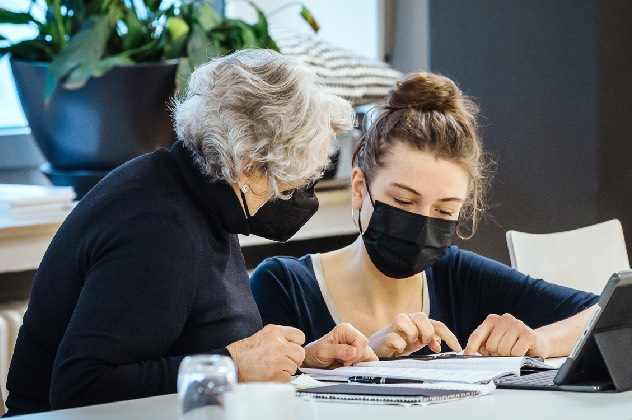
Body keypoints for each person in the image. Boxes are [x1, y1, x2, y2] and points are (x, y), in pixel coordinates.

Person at [4, 49, 376, 416]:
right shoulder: (161, 228)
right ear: (247, 166)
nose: (297, 197)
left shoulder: (195, 188)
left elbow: (190, 344)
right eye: (291, 184)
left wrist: (300, 361)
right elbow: (80, 387)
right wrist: (234, 366)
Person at [250, 72, 599, 360]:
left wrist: (542, 342)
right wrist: (351, 360)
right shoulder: (284, 286)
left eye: (444, 210)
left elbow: (603, 311)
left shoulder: (459, 277)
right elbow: (252, 390)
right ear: (359, 189)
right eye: (403, 202)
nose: (422, 222)